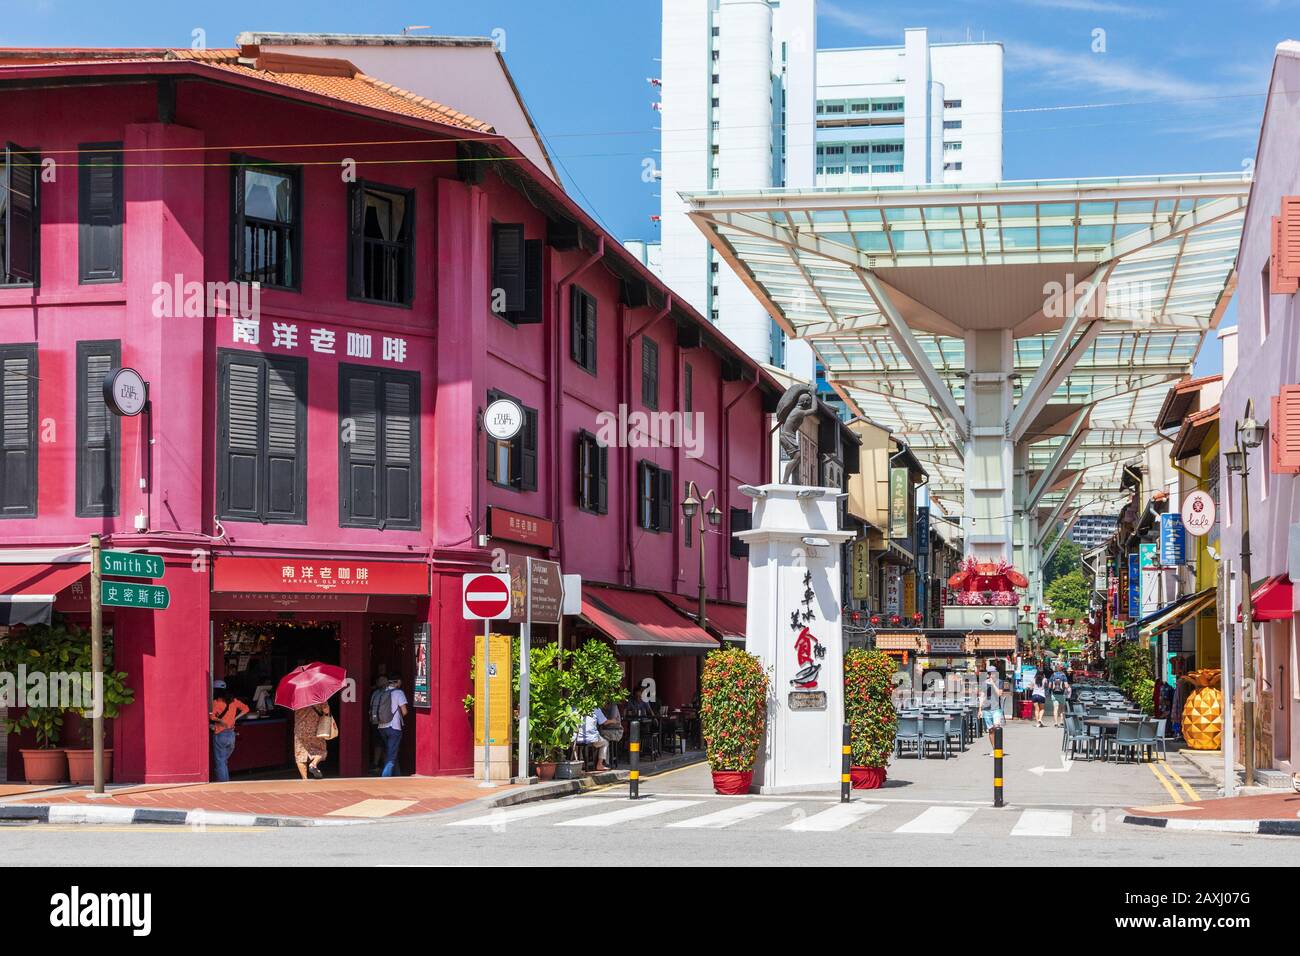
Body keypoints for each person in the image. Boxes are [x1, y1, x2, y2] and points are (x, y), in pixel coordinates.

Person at [209, 680, 248, 783]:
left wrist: (220, 720)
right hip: (231, 735)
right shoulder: (233, 701)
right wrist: (235, 718)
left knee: (220, 762)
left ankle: (223, 784)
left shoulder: (216, 702)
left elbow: (212, 717)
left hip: (220, 734)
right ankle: (226, 782)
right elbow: (246, 709)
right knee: (224, 761)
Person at [376, 677, 409, 778]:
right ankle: (385, 778)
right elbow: (405, 711)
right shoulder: (399, 693)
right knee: (391, 755)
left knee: (392, 752)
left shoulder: (382, 692)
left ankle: (397, 775)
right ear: (398, 681)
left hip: (381, 727)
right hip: (394, 727)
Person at [574, 706, 619, 771]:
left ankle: (581, 761)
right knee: (605, 743)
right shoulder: (595, 709)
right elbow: (604, 722)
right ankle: (599, 764)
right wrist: (613, 721)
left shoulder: (575, 708)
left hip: (576, 738)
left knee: (577, 744)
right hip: (591, 738)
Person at [293, 701, 330, 780]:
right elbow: (326, 711)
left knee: (300, 755)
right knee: (321, 750)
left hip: (300, 730)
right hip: (314, 729)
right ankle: (313, 764)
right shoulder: (319, 698)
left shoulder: (297, 699)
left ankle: (305, 779)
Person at [367, 672, 389, 774]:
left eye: (381, 680)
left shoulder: (389, 693)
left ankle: (379, 765)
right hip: (374, 722)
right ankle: (381, 765)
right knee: (378, 743)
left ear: (386, 681)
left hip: (384, 723)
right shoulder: (375, 693)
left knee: (381, 744)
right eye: (378, 680)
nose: (379, 682)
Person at [980, 668, 1004, 753]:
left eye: (994, 673)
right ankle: (994, 749)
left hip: (996, 708)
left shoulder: (1000, 682)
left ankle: (998, 748)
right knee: (990, 730)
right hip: (986, 709)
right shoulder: (984, 683)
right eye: (990, 673)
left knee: (997, 727)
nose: (992, 675)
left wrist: (993, 684)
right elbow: (982, 696)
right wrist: (979, 709)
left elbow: (999, 694)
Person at [1048, 662, 1071, 727]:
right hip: (1061, 694)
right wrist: (1068, 687)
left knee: (1055, 708)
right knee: (1062, 709)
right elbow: (1066, 686)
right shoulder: (1063, 676)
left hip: (1054, 694)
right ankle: (1061, 721)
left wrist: (1050, 691)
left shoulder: (1053, 675)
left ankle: (1055, 723)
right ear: (1062, 669)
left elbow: (1049, 686)